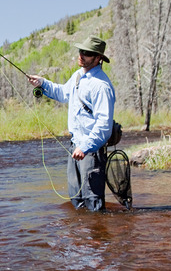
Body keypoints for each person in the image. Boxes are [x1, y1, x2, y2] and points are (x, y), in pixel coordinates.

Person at [28, 35, 115, 211]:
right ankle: (81, 238)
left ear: (98, 58)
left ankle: (98, 237)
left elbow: (104, 125)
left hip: (91, 152)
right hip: (75, 148)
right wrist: (42, 83)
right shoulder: (77, 76)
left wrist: (85, 147)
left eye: (87, 53)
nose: (81, 55)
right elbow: (62, 93)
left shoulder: (101, 86)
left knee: (93, 204)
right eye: (80, 51)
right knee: (77, 201)